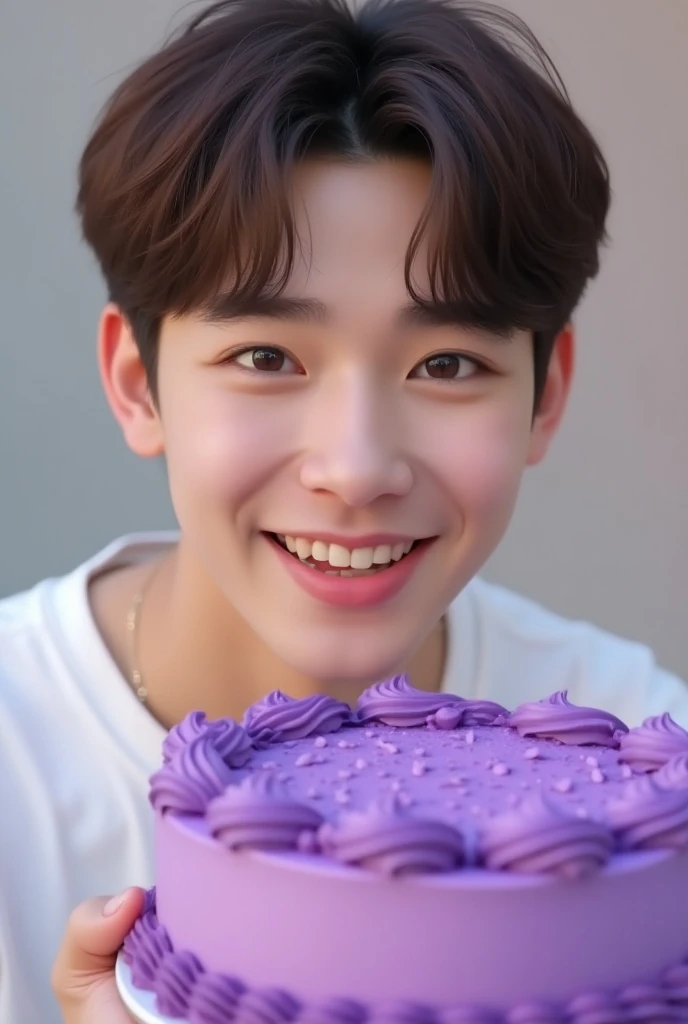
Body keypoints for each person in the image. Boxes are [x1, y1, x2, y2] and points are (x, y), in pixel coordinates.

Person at [0, 0, 685, 1020]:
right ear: (139, 384)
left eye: (445, 363)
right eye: (266, 358)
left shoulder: (639, 759)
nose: (357, 467)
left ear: (543, 394)